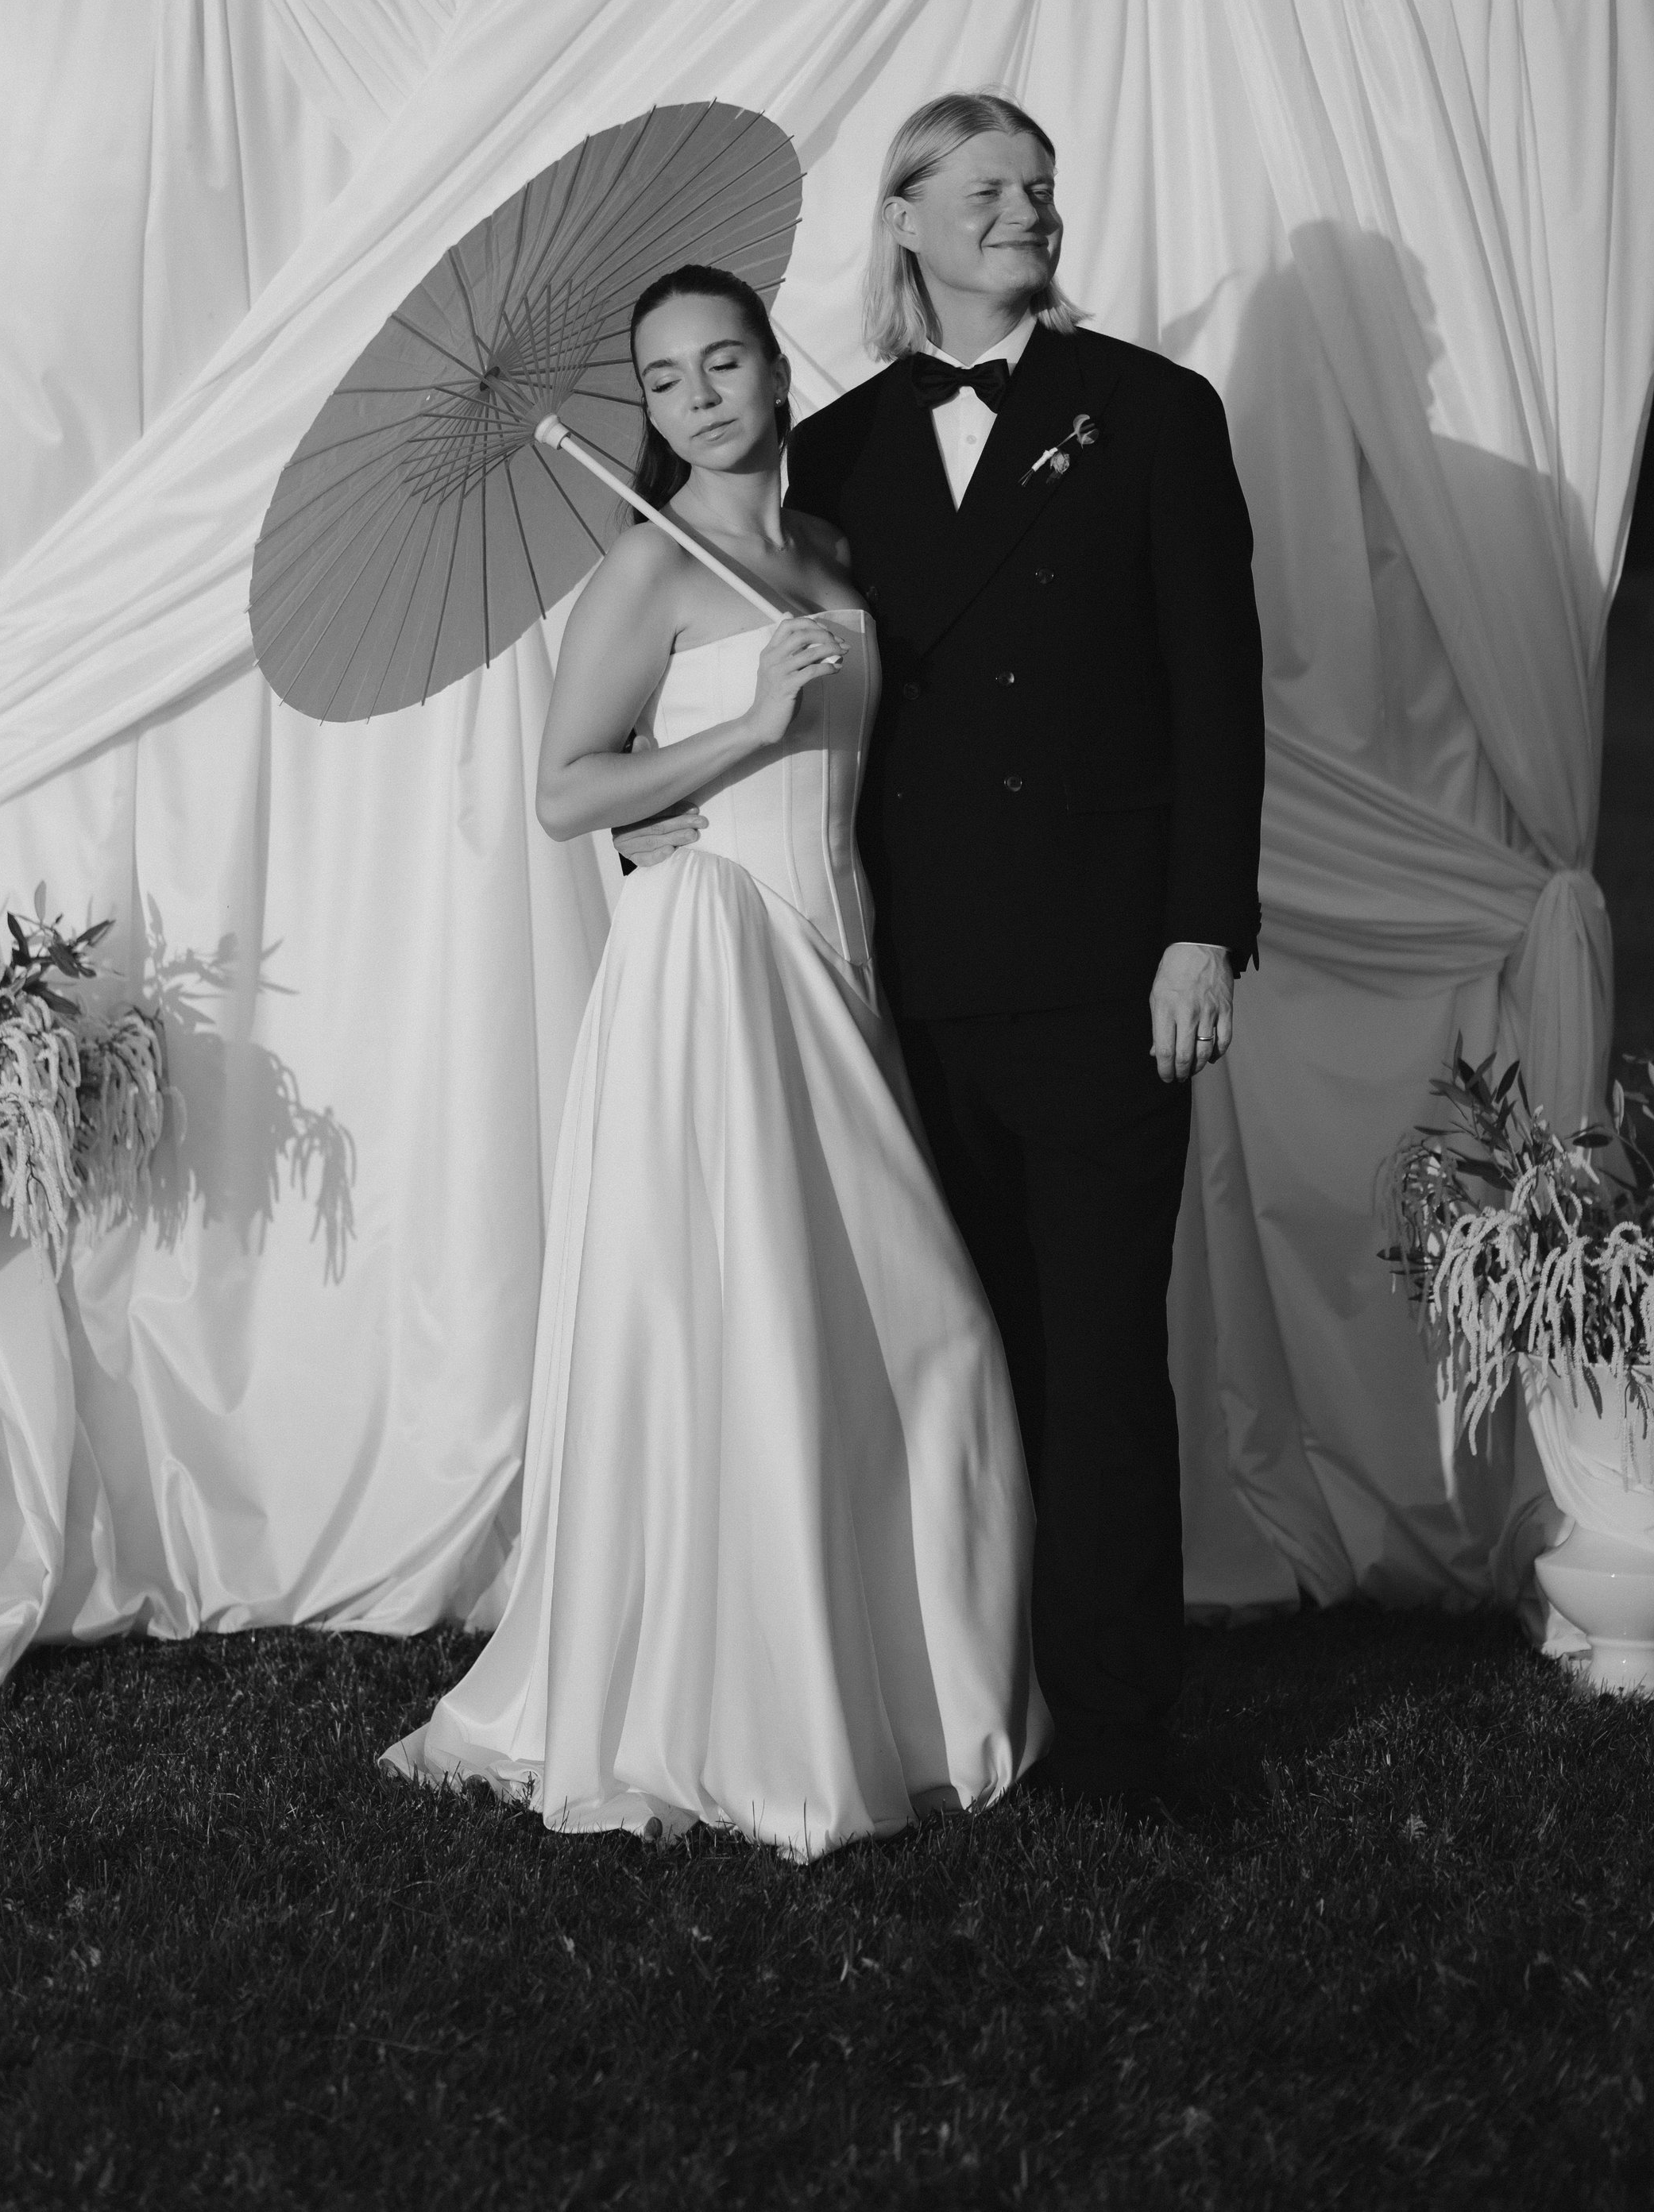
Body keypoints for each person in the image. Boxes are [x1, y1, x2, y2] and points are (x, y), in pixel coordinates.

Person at [382, 264, 1045, 1854]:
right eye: (666, 380)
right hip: (719, 964)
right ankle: (742, 1704)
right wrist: (739, 731)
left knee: (897, 1331)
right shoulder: (643, 566)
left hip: (840, 954)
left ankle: (905, 1688)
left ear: (773, 368)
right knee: (746, 1323)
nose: (697, 399)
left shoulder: (827, 551)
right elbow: (567, 790)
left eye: (723, 362)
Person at [781, 93, 1266, 1805]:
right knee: (963, 1353)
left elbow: (1216, 692)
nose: (1026, 210)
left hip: (1108, 964)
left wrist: (1201, 929)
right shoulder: (831, 450)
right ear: (903, 218)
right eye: (986, 186)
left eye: (1041, 187)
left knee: (1102, 1355)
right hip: (908, 972)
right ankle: (979, 1699)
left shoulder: (1152, 412)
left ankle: (1120, 1731)